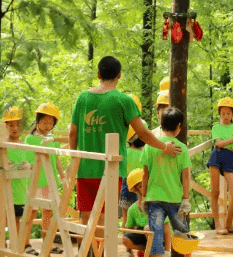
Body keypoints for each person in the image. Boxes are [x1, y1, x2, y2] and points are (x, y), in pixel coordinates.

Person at [69, 56, 182, 244]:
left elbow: (72, 133)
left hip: (85, 168)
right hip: (110, 170)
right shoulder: (124, 101)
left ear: (98, 74)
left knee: (86, 217)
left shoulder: (83, 98)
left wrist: (74, 159)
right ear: (119, 75)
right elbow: (143, 133)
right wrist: (165, 146)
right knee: (103, 218)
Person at [141, 107, 193, 257]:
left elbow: (144, 174)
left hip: (154, 197)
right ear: (179, 126)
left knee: (155, 233)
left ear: (161, 124)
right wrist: (186, 198)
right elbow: (185, 176)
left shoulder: (150, 146)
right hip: (175, 198)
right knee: (182, 231)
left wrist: (142, 196)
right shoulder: (182, 149)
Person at [24, 102, 68, 254]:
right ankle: (25, 244)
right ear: (37, 121)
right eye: (44, 121)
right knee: (31, 212)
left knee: (48, 212)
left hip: (50, 181)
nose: (47, 125)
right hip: (36, 181)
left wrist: (62, 175)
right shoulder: (30, 139)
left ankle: (47, 244)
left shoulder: (51, 138)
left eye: (51, 123)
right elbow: (28, 161)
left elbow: (55, 158)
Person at [0, 106, 34, 257]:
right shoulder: (1, 145)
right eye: (11, 125)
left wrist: (28, 166)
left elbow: (33, 164)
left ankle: (16, 248)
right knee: (4, 218)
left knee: (17, 218)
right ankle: (4, 248)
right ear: (5, 126)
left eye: (17, 124)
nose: (14, 128)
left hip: (19, 190)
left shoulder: (25, 145)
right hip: (4, 189)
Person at [206, 97, 233, 235]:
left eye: (228, 113)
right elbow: (219, 144)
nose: (226, 116)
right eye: (223, 113)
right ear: (219, 114)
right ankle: (218, 224)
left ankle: (228, 224)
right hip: (217, 155)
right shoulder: (216, 127)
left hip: (229, 157)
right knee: (215, 192)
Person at [119, 168, 171, 257]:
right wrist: (128, 251)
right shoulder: (132, 209)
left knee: (148, 228)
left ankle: (160, 252)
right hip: (146, 237)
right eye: (141, 186)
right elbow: (129, 229)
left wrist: (168, 250)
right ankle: (151, 254)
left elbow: (167, 226)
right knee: (125, 239)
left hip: (160, 237)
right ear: (135, 189)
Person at [119, 94, 144, 227]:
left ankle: (126, 235)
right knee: (139, 214)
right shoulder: (144, 152)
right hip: (137, 183)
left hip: (129, 182)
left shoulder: (125, 150)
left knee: (127, 217)